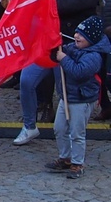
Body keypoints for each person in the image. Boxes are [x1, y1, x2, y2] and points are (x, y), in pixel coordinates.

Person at [14, 0, 98, 145]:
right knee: (27, 81)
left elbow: (59, 7)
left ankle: (67, 131)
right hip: (47, 46)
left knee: (64, 90)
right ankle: (29, 126)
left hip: (67, 50)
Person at [45, 16, 108, 179]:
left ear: (91, 39)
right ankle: (65, 158)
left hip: (82, 99)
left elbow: (79, 72)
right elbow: (63, 51)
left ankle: (78, 163)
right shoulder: (74, 47)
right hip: (67, 97)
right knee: (59, 128)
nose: (76, 36)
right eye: (77, 33)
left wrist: (63, 58)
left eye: (82, 35)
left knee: (76, 132)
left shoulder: (94, 56)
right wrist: (55, 47)